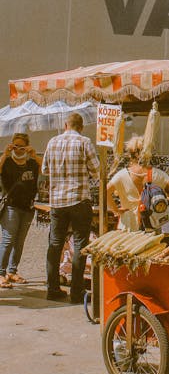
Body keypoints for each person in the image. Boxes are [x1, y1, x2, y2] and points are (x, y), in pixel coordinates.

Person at [42, 112, 100, 303]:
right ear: (81, 126)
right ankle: (76, 292)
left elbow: (45, 170)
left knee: (55, 243)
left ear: (66, 125)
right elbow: (96, 171)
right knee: (80, 244)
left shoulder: (51, 142)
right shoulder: (84, 142)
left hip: (57, 201)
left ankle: (53, 289)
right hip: (78, 199)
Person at [106, 135, 169, 231]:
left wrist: (116, 210)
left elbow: (105, 191)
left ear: (130, 154)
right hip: (152, 224)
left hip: (128, 225)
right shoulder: (158, 174)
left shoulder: (121, 175)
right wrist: (165, 204)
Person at [0, 132, 42, 288]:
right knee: (8, 240)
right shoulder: (8, 162)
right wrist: (5, 153)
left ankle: (12, 271)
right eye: (16, 146)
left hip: (27, 207)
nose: (18, 149)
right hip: (11, 206)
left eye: (21, 146)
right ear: (12, 145)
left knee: (19, 242)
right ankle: (0, 273)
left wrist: (34, 153)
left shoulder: (31, 163)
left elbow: (45, 168)